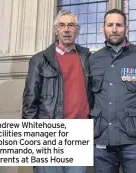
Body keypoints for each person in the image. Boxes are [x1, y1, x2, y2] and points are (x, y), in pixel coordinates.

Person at [22, 10, 92, 173]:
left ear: (78, 30)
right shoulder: (40, 59)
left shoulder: (87, 58)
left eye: (71, 25)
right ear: (56, 30)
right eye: (62, 25)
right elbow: (30, 99)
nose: (66, 29)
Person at [89, 9, 136, 173]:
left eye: (119, 25)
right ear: (103, 29)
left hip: (133, 139)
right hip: (102, 137)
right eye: (110, 25)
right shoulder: (93, 60)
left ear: (126, 29)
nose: (114, 29)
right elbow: (88, 98)